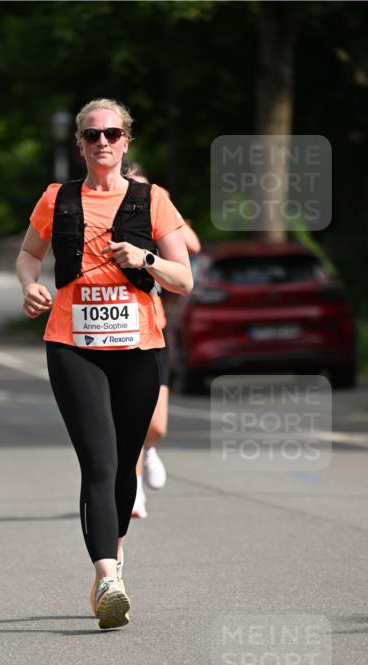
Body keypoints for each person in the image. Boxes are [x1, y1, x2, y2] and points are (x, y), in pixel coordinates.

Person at [16, 99, 193, 629]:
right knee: (98, 461)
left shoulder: (152, 200)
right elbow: (29, 254)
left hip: (139, 348)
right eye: (92, 135)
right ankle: (108, 577)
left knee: (123, 465)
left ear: (125, 141)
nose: (102, 142)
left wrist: (146, 259)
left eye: (111, 134)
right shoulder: (57, 199)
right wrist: (29, 285)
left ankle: (112, 559)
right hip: (73, 346)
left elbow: (184, 279)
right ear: (79, 144)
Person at [127, 164, 201, 518]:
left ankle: (149, 449)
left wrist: (167, 205)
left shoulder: (159, 210)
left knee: (156, 426)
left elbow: (193, 245)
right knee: (129, 420)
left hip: (154, 327)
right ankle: (133, 490)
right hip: (120, 332)